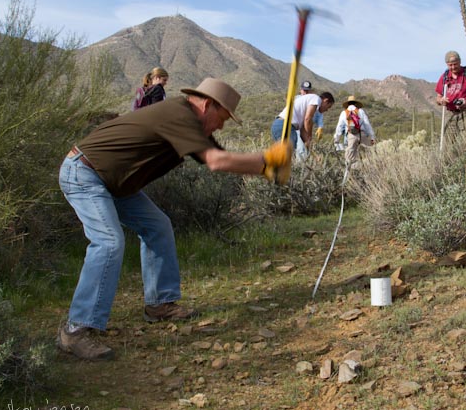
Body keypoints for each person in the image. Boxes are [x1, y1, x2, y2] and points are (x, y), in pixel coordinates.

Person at [58, 78, 292, 360]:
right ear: (207, 105)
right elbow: (217, 162)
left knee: (157, 226)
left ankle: (159, 304)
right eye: (222, 117)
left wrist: (266, 167)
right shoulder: (180, 114)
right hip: (85, 173)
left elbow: (214, 158)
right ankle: (76, 330)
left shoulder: (190, 122)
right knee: (108, 242)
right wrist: (267, 163)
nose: (221, 126)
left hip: (114, 182)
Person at [271, 84, 335, 157]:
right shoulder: (316, 98)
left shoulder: (306, 105)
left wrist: (310, 148)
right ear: (326, 101)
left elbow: (303, 132)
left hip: (279, 125)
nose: (327, 110)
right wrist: (310, 135)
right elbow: (308, 119)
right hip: (285, 126)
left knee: (283, 157)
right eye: (328, 107)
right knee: (287, 157)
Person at [334, 95, 376, 165]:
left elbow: (339, 128)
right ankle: (368, 171)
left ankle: (350, 173)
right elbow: (367, 125)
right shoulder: (361, 111)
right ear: (356, 104)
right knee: (368, 155)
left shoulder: (344, 113)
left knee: (349, 158)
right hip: (362, 135)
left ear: (348, 104)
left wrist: (336, 140)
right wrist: (372, 137)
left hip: (351, 136)